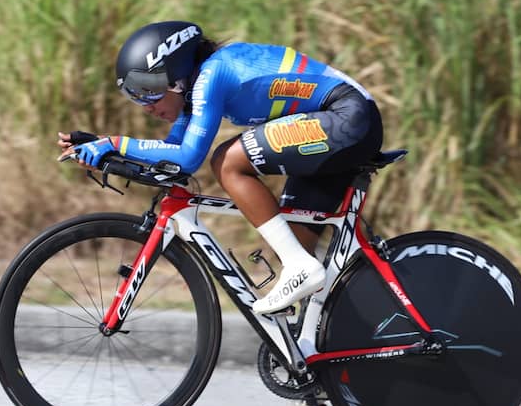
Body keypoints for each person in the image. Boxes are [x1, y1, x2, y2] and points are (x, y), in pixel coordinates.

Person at [58, 21, 382, 314]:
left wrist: (115, 143)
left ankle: (300, 266)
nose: (147, 106)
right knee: (298, 252)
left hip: (347, 117)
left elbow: (189, 158)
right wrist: (100, 145)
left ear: (175, 75)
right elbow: (172, 154)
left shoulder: (214, 75)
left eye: (148, 90)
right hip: (332, 126)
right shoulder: (192, 91)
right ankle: (319, 346)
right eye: (135, 95)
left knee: (227, 162)